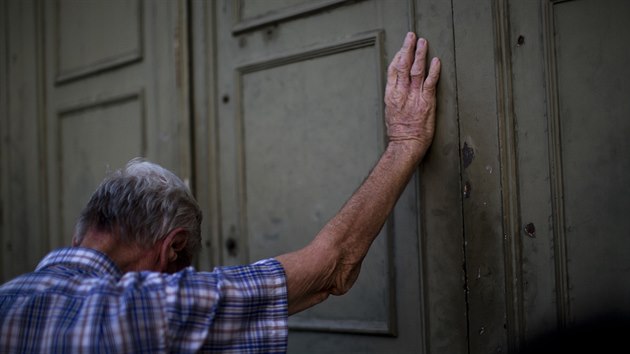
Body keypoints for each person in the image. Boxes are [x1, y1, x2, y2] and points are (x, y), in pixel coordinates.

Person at [0, 32, 440, 353]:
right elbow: (332, 267)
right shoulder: (152, 311)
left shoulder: (8, 299)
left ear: (83, 235)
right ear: (172, 250)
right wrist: (404, 144)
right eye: (186, 267)